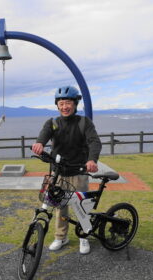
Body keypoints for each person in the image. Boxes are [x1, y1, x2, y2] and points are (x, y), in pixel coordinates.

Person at [32, 86, 102, 254]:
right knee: (60, 207)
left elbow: (94, 142)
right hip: (58, 173)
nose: (65, 107)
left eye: (68, 103)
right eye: (61, 103)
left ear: (75, 104)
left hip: (79, 171)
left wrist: (92, 159)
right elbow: (44, 133)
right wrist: (40, 142)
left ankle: (84, 236)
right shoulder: (53, 123)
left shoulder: (84, 122)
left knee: (82, 206)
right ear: (57, 105)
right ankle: (61, 237)